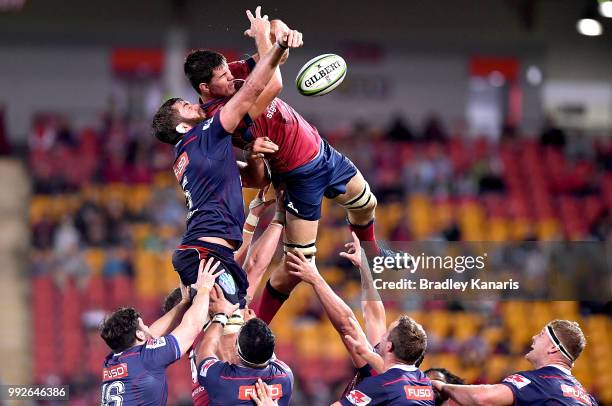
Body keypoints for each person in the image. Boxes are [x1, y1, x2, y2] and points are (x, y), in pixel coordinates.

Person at [184, 8, 399, 325]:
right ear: (205, 88)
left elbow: (274, 57)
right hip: (299, 177)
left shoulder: (227, 76)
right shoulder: (224, 112)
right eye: (223, 78)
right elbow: (272, 84)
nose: (231, 77)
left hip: (321, 150)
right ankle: (254, 323)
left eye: (229, 72)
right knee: (298, 265)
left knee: (367, 204)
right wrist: (263, 38)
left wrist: (280, 31)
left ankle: (370, 253)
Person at [151, 9, 302, 308]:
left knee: (228, 322)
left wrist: (254, 155)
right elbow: (261, 87)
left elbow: (253, 179)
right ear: (182, 125)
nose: (190, 104)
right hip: (206, 251)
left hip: (205, 249)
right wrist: (270, 40)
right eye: (184, 106)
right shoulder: (207, 130)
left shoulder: (189, 152)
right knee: (228, 327)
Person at [286, 248, 434, 405]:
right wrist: (364, 266)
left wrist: (316, 279)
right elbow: (373, 316)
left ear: (389, 347)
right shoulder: (424, 382)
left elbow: (348, 325)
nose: (382, 335)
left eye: (386, 334)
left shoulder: (381, 385)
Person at [100, 258, 222, 405]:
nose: (148, 327)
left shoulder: (111, 361)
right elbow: (193, 326)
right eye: (143, 325)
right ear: (138, 334)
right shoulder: (148, 358)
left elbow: (150, 334)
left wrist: (184, 302)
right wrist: (204, 288)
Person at [431, 320, 598, 406]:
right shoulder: (587, 398)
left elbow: (483, 398)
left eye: (540, 335)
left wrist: (442, 387)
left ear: (553, 348)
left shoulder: (538, 382)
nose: (533, 337)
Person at [193, 287, 294, 405]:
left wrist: (222, 314)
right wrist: (253, 326)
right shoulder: (285, 376)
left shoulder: (220, 380)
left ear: (236, 349)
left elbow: (205, 349)